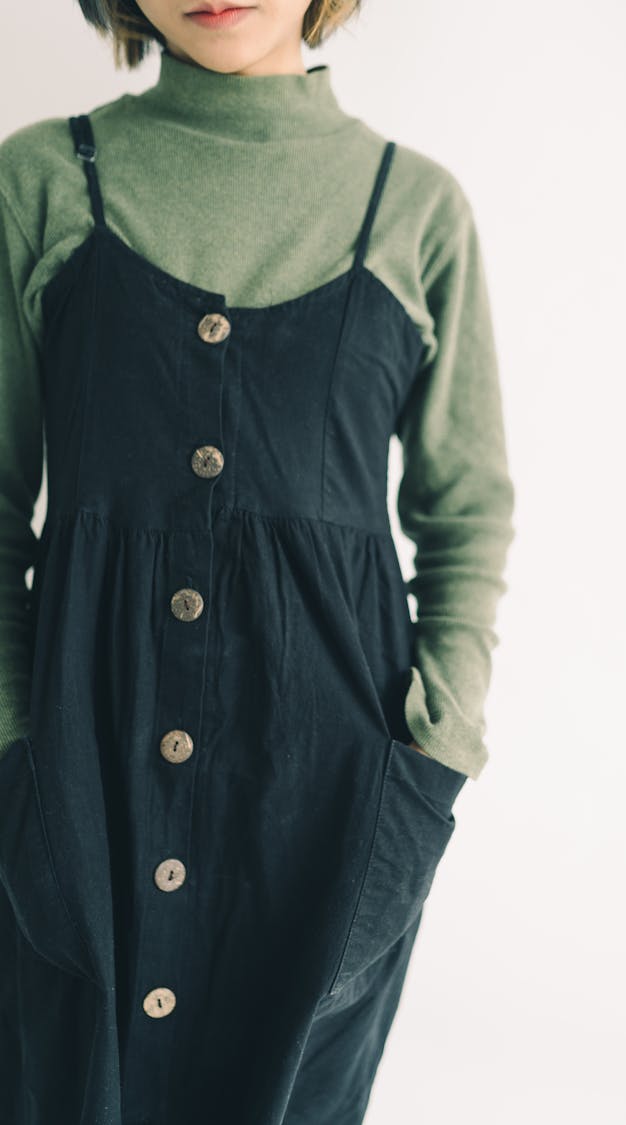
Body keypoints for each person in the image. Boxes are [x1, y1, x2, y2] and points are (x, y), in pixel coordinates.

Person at [0, 1, 516, 1121]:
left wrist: (435, 758)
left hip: (336, 799)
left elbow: (465, 514)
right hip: (76, 776)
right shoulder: (39, 178)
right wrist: (12, 747)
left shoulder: (415, 207)